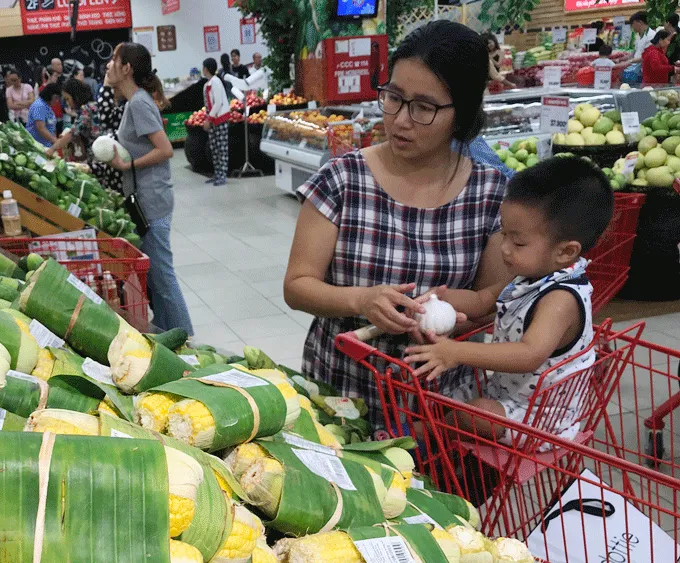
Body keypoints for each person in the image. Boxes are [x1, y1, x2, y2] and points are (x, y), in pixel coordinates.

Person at [283, 20, 508, 428]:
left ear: (462, 112)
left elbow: (491, 301)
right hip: (344, 393)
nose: (401, 119)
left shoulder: (490, 193)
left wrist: (449, 321)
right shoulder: (343, 179)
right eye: (393, 97)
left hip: (438, 406)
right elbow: (298, 285)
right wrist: (361, 301)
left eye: (423, 107)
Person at [402, 157, 613, 445]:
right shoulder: (530, 275)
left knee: (475, 415)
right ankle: (435, 435)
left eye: (518, 242)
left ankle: (423, 435)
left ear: (565, 252)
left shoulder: (560, 298)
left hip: (540, 417)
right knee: (446, 395)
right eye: (504, 234)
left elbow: (529, 354)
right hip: (507, 392)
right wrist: (442, 297)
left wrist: (456, 351)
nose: (504, 249)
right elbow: (482, 299)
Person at [104, 42, 193, 334]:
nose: (108, 65)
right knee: (154, 275)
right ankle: (168, 332)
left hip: (153, 198)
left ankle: (184, 336)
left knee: (162, 275)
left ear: (127, 68)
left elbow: (165, 150)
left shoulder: (139, 103)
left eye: (114, 60)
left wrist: (127, 165)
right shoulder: (134, 101)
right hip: (146, 196)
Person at [46, 78, 99, 162]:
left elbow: (72, 134)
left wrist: (53, 149)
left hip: (96, 156)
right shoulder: (92, 105)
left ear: (76, 96)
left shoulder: (86, 109)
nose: (67, 103)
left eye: (68, 99)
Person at [92, 85, 125, 193]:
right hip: (114, 170)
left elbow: (105, 119)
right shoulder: (126, 106)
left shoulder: (130, 106)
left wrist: (108, 84)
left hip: (122, 174)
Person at [202, 58, 230, 186]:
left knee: (222, 148)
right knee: (214, 148)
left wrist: (209, 118)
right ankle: (217, 173)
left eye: (203, 67)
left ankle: (222, 175)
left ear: (206, 69)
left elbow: (218, 103)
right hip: (213, 120)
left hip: (220, 119)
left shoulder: (216, 82)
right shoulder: (207, 84)